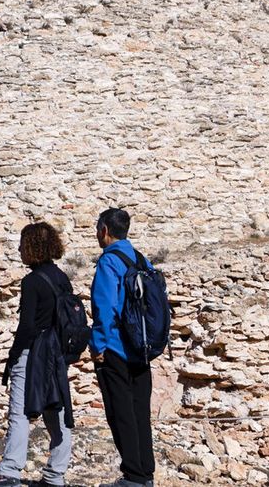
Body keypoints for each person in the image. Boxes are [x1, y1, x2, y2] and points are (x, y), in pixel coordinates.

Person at [0, 222, 77, 487]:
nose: (19, 250)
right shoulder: (61, 278)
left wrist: (12, 357)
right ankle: (56, 474)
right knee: (55, 410)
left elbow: (27, 326)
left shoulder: (32, 281)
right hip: (55, 354)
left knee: (20, 412)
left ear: (32, 247)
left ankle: (10, 471)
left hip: (33, 353)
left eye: (22, 244)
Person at [90, 208, 155, 487]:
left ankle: (132, 476)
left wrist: (98, 345)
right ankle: (145, 473)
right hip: (142, 348)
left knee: (120, 411)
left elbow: (104, 308)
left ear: (104, 230)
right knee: (140, 412)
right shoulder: (142, 260)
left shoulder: (108, 262)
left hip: (115, 347)